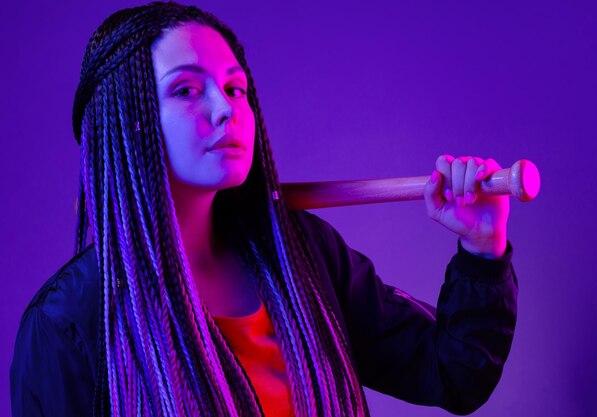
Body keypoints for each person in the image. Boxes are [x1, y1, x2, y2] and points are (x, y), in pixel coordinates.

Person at [9, 2, 519, 416]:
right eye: (186, 90)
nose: (226, 107)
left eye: (235, 87)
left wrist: (481, 247)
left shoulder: (301, 256)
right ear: (127, 121)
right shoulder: (67, 324)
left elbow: (453, 373)